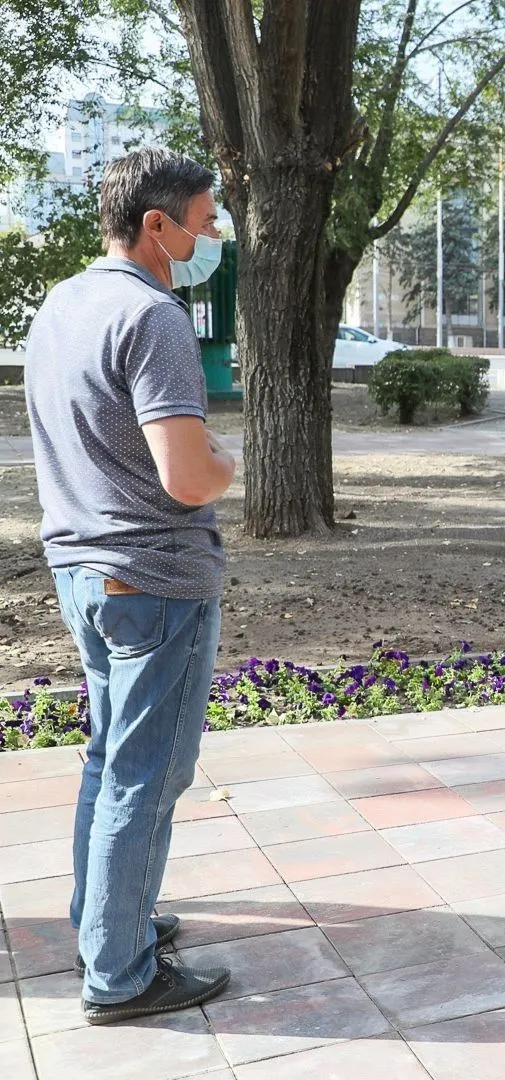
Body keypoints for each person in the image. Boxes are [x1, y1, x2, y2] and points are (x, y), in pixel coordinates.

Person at [26, 147, 237, 1024]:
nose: (215, 230)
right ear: (158, 226)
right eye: (205, 215)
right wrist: (229, 463)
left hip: (84, 569)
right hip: (152, 578)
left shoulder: (64, 303)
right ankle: (121, 973)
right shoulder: (152, 316)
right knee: (148, 775)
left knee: (112, 761)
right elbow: (187, 476)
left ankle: (106, 924)